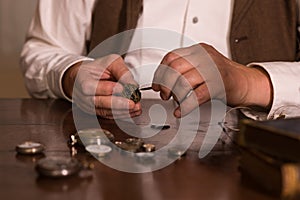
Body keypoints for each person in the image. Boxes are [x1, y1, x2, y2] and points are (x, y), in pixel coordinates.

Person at [21, 0, 300, 120]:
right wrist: (71, 75)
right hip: (109, 156)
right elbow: (42, 48)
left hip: (259, 160)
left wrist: (249, 83)